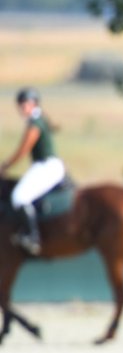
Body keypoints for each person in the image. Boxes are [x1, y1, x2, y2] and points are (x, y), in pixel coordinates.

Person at [2, 88, 65, 255]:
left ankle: (32, 236)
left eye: (25, 104)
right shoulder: (36, 119)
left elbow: (23, 150)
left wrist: (4, 166)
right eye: (20, 105)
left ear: (33, 104)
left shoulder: (35, 123)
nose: (22, 108)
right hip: (44, 166)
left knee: (19, 197)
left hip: (47, 166)